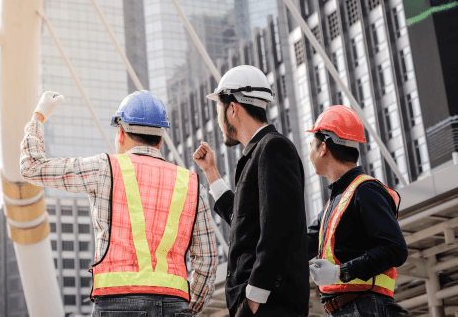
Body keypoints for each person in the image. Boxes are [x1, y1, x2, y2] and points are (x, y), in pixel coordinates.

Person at [20, 90, 218, 316]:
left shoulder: (105, 168)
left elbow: (31, 167)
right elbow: (208, 259)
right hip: (175, 305)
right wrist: (189, 307)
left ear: (121, 134)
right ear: (160, 139)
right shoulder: (191, 184)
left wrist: (38, 117)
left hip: (116, 305)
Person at [193, 65, 309, 317]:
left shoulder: (274, 148)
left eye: (219, 110)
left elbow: (279, 228)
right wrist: (211, 172)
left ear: (232, 108)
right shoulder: (259, 153)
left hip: (267, 305)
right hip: (260, 304)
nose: (219, 120)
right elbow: (244, 221)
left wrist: (254, 298)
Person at [305, 105, 409, 316]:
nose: (309, 153)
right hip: (350, 309)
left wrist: (339, 273)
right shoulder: (335, 203)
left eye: (311, 145)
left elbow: (395, 248)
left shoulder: (365, 190)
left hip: (365, 307)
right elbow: (300, 244)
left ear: (323, 148)